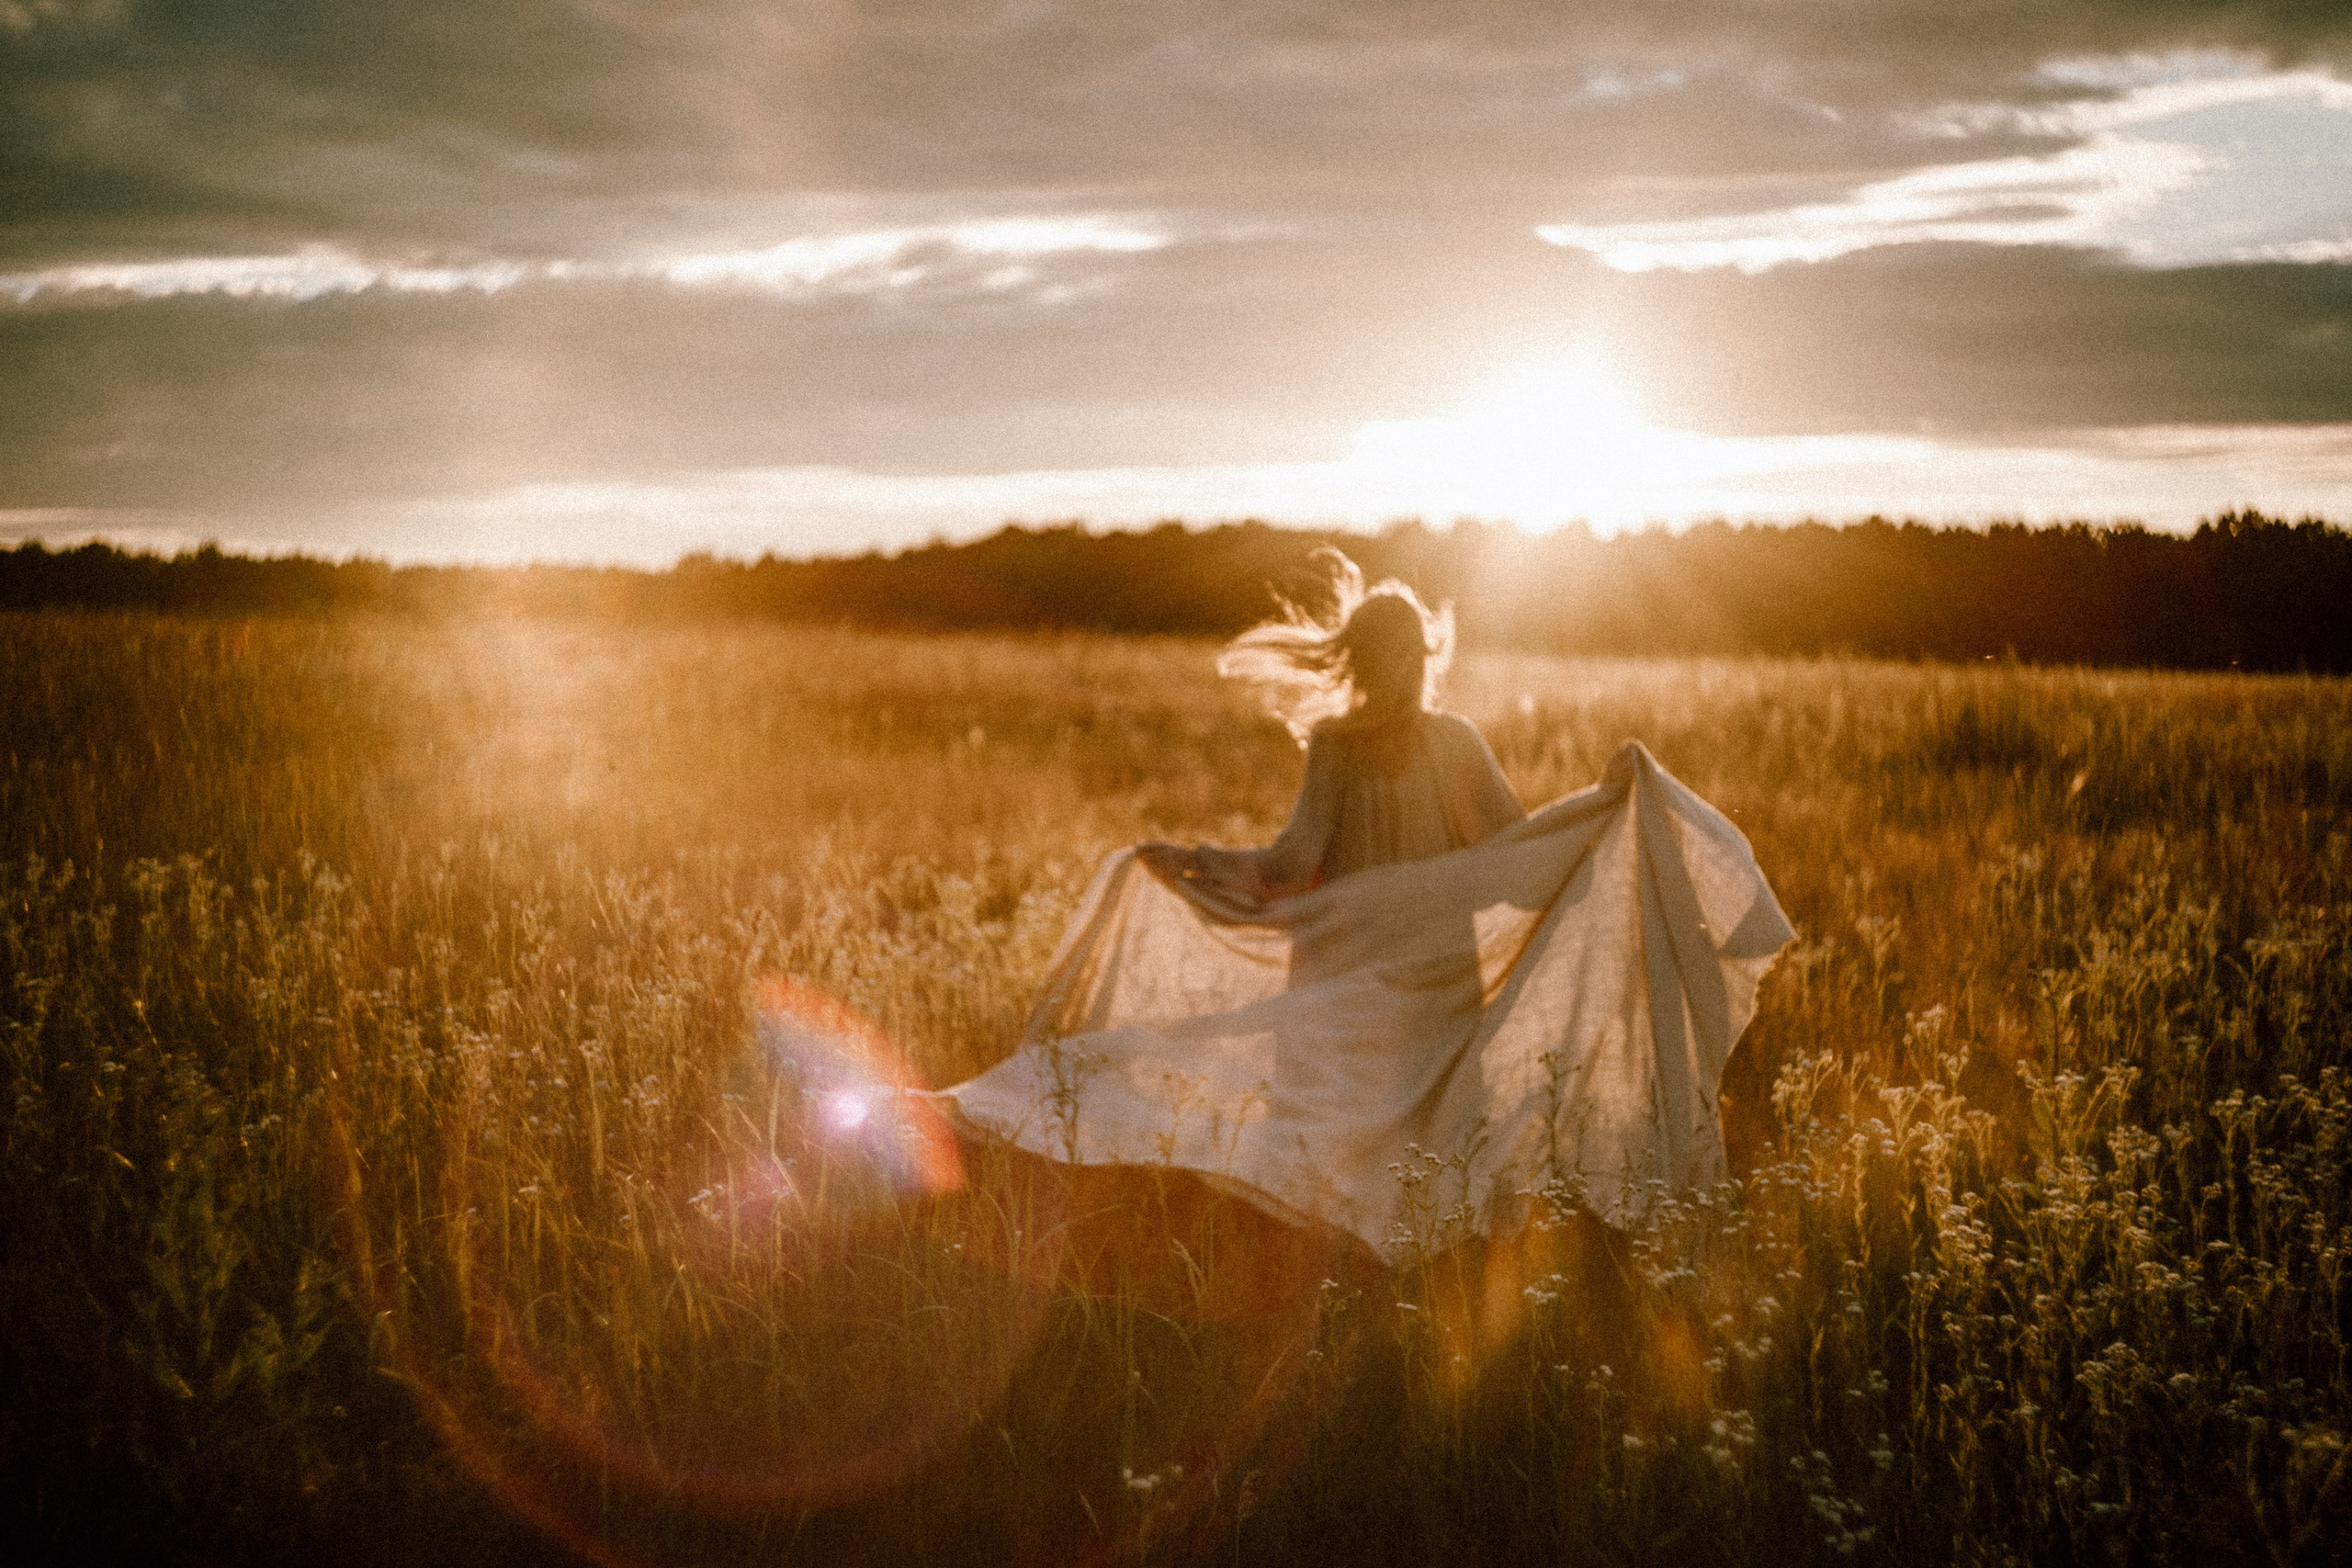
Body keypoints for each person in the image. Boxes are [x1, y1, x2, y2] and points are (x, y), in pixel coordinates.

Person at [944, 549, 1792, 1257]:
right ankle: (1378, 1279)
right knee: (1409, 1138)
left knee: (1331, 1134)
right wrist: (1193, 865)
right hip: (1413, 982)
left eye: (1414, 661)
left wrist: (1599, 809)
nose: (1413, 674)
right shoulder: (1410, 744)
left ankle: (1345, 1273)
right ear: (1398, 660)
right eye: (1407, 661)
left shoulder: (1360, 745)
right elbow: (1504, 861)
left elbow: (1308, 866)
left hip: (1374, 980)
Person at [1134, 551, 1524, 911]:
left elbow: (1521, 855)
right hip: (1420, 971)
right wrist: (1194, 861)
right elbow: (1524, 856)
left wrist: (1194, 861)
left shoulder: (1360, 742)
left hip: (1361, 965)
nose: (1402, 669)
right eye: (1397, 657)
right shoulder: (1352, 743)